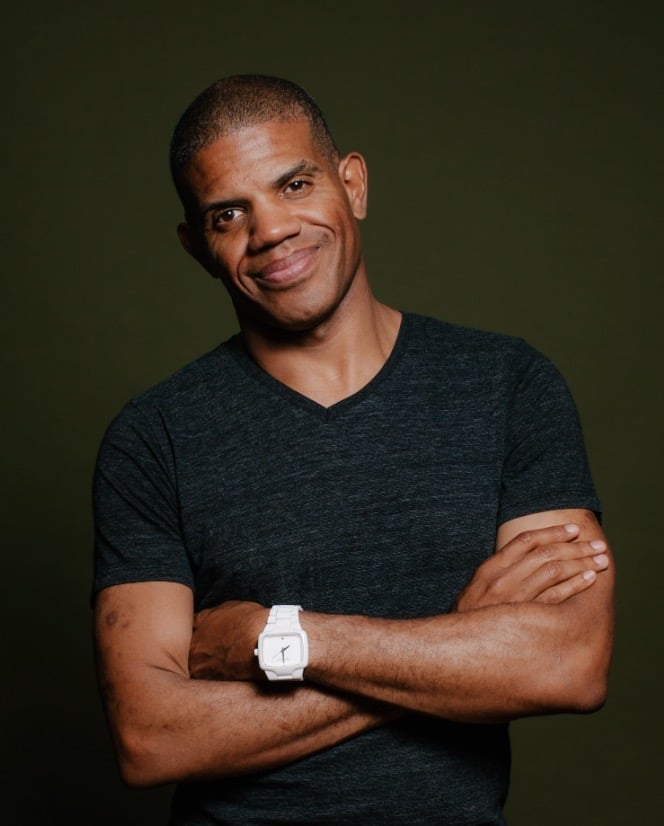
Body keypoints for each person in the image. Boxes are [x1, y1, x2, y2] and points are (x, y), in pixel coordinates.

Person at [92, 75, 614, 825]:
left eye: (294, 183)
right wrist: (460, 645)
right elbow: (150, 740)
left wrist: (285, 639)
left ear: (353, 183)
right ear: (197, 248)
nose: (270, 230)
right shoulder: (153, 439)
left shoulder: (508, 385)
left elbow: (567, 665)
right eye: (228, 214)